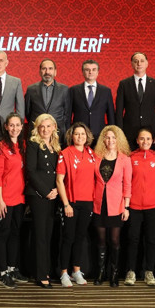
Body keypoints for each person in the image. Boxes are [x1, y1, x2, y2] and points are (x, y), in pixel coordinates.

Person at [56, 122, 97, 287]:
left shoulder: (92, 154)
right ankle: (64, 272)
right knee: (68, 238)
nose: (80, 137)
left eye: (82, 134)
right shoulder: (65, 153)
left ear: (87, 136)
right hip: (71, 202)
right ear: (71, 136)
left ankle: (76, 270)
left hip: (87, 203)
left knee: (80, 238)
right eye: (76, 134)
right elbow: (59, 180)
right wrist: (66, 204)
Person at [91, 125, 132, 287]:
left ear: (118, 139)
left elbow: (128, 185)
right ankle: (100, 273)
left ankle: (114, 274)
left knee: (114, 241)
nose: (110, 140)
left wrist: (126, 207)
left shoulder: (125, 159)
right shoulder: (96, 157)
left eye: (113, 138)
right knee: (101, 241)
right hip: (98, 204)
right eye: (107, 137)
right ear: (103, 139)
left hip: (117, 205)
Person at [24, 113, 60, 288]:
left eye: (48, 126)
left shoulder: (56, 146)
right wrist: (46, 192)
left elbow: (57, 173)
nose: (45, 130)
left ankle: (45, 270)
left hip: (53, 195)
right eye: (41, 126)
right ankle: (40, 274)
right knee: (40, 236)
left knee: (48, 234)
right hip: (38, 195)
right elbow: (30, 171)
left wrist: (56, 191)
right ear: (37, 129)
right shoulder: (33, 144)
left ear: (54, 127)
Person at [0, 113, 28, 288]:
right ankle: (2, 271)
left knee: (15, 233)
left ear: (22, 127)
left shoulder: (23, 145)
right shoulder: (1, 147)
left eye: (17, 125)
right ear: (6, 127)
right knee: (3, 234)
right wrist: (0, 200)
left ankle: (12, 268)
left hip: (20, 198)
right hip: (6, 198)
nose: (14, 128)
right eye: (11, 125)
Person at [125, 128, 155, 286]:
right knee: (133, 239)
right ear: (137, 141)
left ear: (153, 140)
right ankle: (131, 271)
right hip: (134, 205)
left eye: (148, 139)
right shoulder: (131, 157)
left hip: (152, 205)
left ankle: (149, 272)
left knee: (151, 240)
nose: (145, 142)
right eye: (142, 139)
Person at [115, 52, 155, 149]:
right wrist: (119, 133)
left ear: (147, 63)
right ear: (132, 64)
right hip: (129, 132)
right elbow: (119, 112)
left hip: (151, 133)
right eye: (136, 61)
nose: (139, 64)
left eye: (142, 61)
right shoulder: (124, 84)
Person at [69, 59, 115, 142]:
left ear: (98, 72)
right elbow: (68, 114)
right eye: (87, 70)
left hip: (100, 135)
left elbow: (111, 115)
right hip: (79, 136)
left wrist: (112, 133)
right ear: (82, 72)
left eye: (94, 69)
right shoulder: (73, 90)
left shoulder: (106, 91)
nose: (90, 72)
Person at [25, 59, 71, 137]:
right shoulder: (31, 89)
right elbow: (28, 112)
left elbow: (67, 114)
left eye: (50, 68)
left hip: (58, 134)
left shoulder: (64, 89)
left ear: (55, 72)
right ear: (40, 72)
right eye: (44, 69)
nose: (47, 72)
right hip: (37, 133)